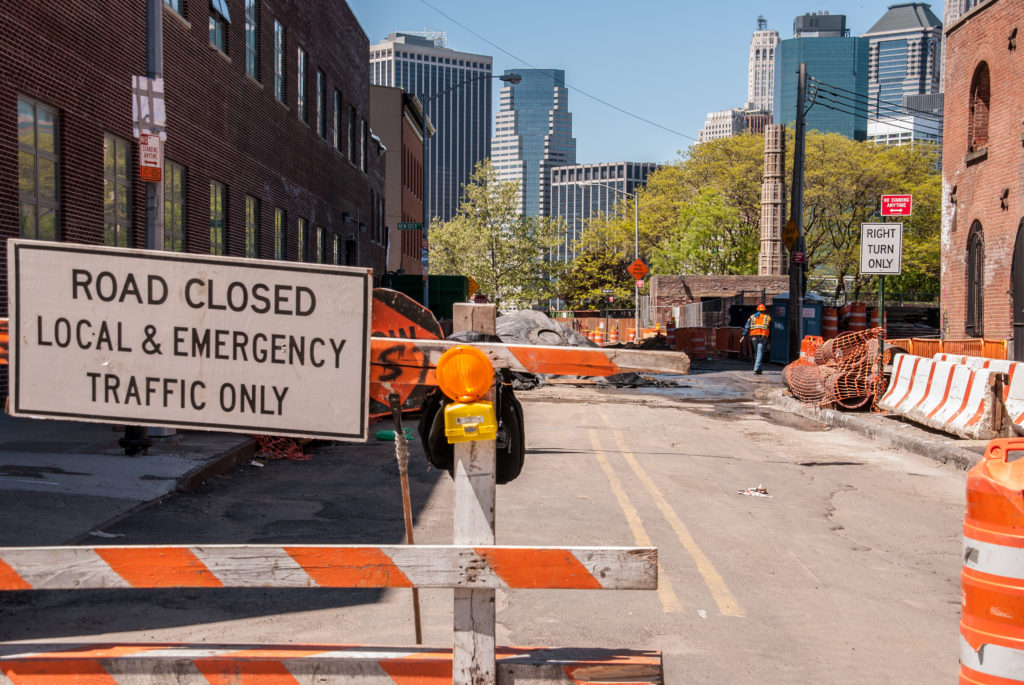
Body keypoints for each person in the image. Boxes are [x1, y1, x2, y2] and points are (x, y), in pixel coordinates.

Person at [741, 304, 771, 374]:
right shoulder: (767, 317)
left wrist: (743, 335)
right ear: (764, 310)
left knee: (757, 352)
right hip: (762, 337)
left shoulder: (752, 317)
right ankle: (757, 368)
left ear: (757, 310)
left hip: (753, 337)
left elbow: (747, 327)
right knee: (759, 352)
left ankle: (759, 369)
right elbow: (772, 325)